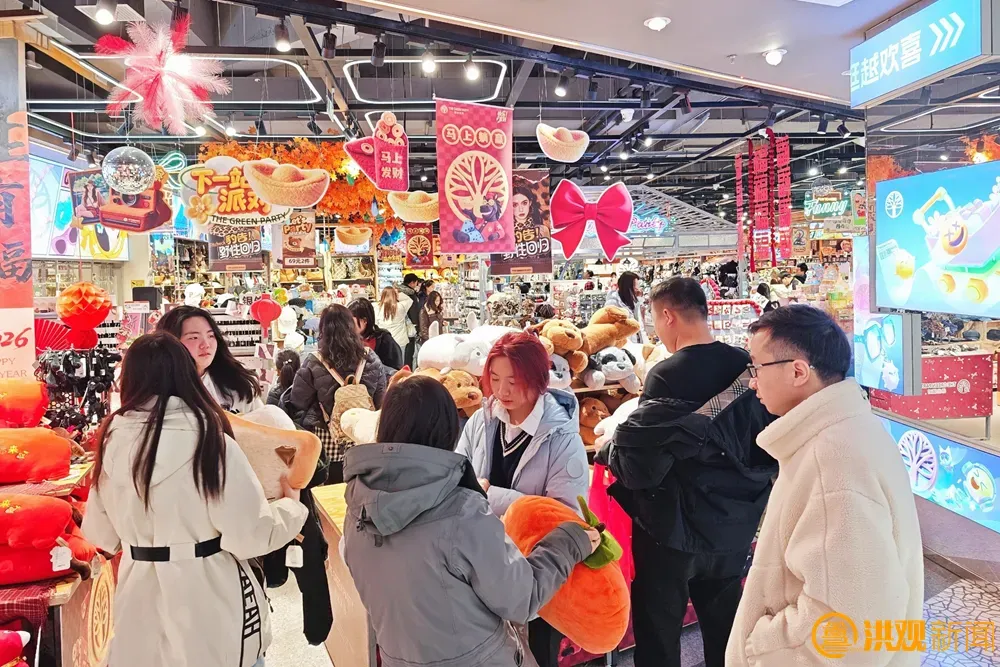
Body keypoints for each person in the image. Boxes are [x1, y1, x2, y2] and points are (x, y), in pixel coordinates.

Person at [82, 332, 307, 667]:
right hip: (209, 592)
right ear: (186, 374)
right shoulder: (210, 438)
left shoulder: (112, 440)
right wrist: (291, 507)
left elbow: (100, 534)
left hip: (138, 592)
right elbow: (249, 534)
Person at [343, 375, 599, 667]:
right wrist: (567, 543)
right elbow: (521, 598)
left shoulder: (358, 507)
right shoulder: (460, 510)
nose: (503, 389)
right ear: (447, 429)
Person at [596, 277, 778, 667]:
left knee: (659, 633)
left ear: (668, 315)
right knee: (726, 631)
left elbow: (644, 462)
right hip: (733, 524)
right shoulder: (745, 366)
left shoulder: (667, 374)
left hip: (673, 530)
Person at [727, 306, 923, 666]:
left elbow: (850, 626)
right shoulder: (843, 432)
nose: (752, 382)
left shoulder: (832, 459)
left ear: (798, 371)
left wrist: (761, 648)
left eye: (756, 367)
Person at [456, 331, 590, 667]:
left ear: (539, 380)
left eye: (514, 381)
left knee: (538, 655)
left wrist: (490, 495)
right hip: (483, 564)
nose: (502, 391)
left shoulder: (562, 438)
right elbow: (458, 481)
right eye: (495, 379)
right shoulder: (481, 420)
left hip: (538, 575)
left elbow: (564, 519)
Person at [287, 304, 387, 484]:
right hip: (362, 436)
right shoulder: (370, 358)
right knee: (360, 486)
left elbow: (298, 400)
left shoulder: (314, 361)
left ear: (323, 330)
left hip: (328, 437)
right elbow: (381, 398)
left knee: (329, 489)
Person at [158, 305, 264, 414]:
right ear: (169, 343)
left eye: (210, 336)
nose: (206, 344)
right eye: (193, 338)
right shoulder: (156, 392)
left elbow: (263, 420)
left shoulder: (238, 383)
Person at [349, 297, 403, 371]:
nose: (348, 325)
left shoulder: (384, 340)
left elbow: (396, 369)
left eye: (351, 321)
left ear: (364, 321)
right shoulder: (347, 339)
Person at [604, 270, 646, 344]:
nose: (637, 289)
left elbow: (640, 326)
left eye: (637, 285)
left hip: (636, 343)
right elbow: (608, 328)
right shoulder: (612, 303)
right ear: (627, 286)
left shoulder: (634, 302)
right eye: (635, 286)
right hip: (622, 345)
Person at [375, 286, 413, 353]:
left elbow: (376, 324)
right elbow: (409, 300)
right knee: (400, 358)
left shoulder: (377, 307)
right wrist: (398, 294)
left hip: (384, 340)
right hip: (400, 340)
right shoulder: (401, 307)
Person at [400, 274, 422, 367]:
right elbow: (413, 311)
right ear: (412, 282)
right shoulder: (410, 294)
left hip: (401, 324)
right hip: (410, 325)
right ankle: (407, 368)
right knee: (409, 350)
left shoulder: (399, 292)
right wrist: (416, 324)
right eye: (416, 283)